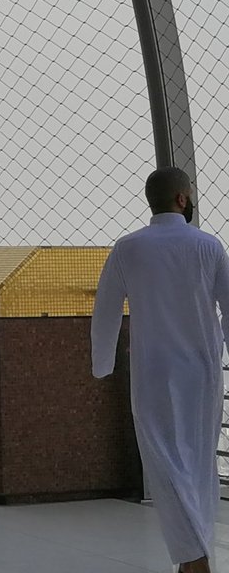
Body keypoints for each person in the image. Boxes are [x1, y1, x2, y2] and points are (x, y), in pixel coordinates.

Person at [92, 166, 229, 573]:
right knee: (201, 462)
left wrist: (103, 364)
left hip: (152, 370)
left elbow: (105, 311)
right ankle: (196, 556)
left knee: (164, 462)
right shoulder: (209, 246)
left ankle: (193, 558)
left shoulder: (128, 248)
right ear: (182, 199)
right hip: (202, 370)